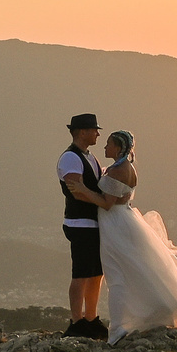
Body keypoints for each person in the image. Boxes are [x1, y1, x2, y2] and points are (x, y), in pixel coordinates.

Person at [93, 128, 177, 342]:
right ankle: (143, 314)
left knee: (116, 276)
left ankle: (118, 327)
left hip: (115, 224)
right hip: (127, 220)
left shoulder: (115, 171)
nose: (105, 147)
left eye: (109, 144)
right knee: (140, 269)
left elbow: (107, 203)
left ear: (118, 147)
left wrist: (82, 191)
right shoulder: (129, 169)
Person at [57, 114, 119, 339]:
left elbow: (86, 188)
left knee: (95, 273)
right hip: (79, 222)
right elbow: (77, 190)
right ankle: (77, 321)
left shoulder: (88, 157)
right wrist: (102, 200)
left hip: (91, 223)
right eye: (94, 130)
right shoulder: (70, 158)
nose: (98, 134)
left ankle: (91, 318)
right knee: (82, 272)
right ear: (82, 132)